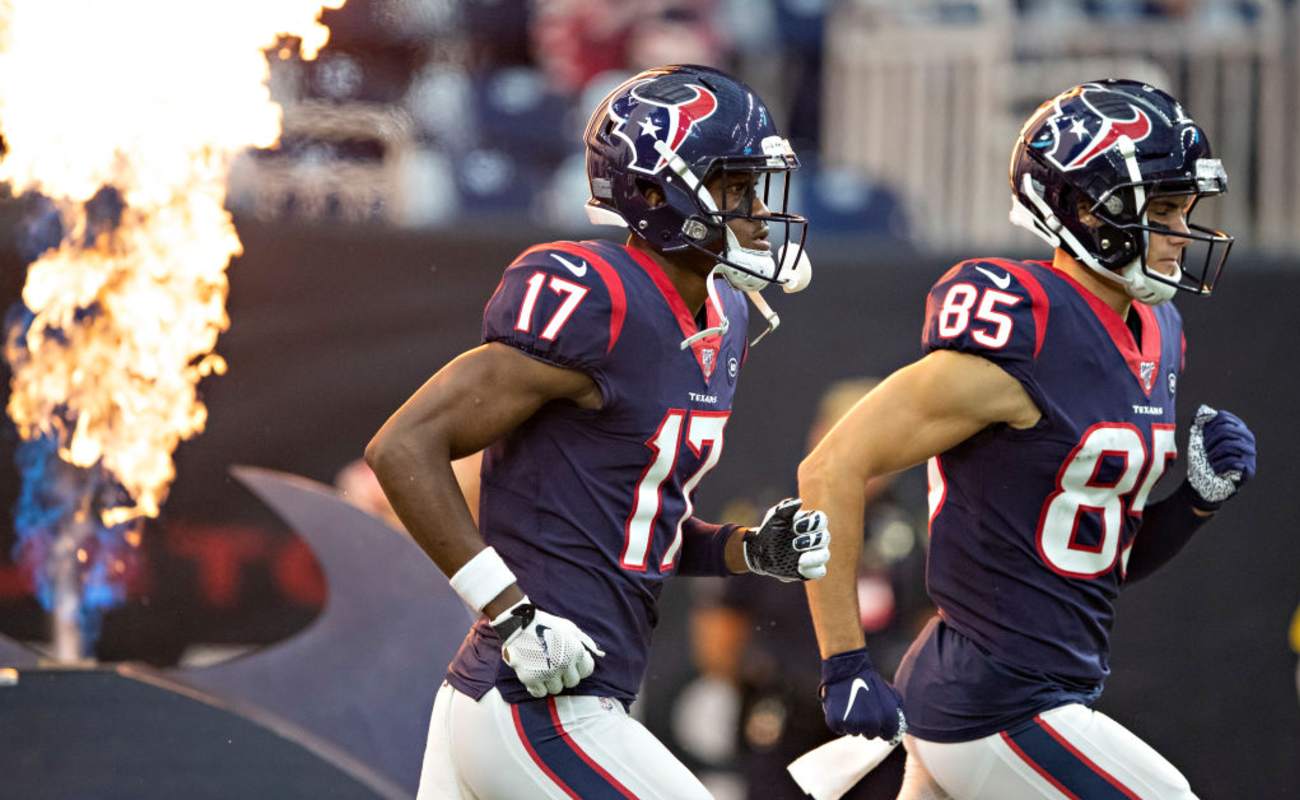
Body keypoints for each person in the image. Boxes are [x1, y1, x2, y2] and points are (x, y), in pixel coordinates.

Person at [366, 64, 833, 800]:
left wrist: (746, 550)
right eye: (735, 189)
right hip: (538, 702)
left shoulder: (725, 318)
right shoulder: (600, 296)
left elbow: (630, 525)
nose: (755, 213)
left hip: (540, 700)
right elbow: (402, 447)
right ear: (658, 194)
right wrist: (511, 612)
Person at [797, 79, 1258, 798]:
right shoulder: (1027, 324)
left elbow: (1096, 562)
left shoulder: (1158, 329)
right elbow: (830, 466)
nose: (1180, 231)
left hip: (1027, 691)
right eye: (1163, 209)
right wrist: (844, 661)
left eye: (1183, 209)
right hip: (995, 698)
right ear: (1086, 209)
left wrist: (1192, 504)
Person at [690, 378, 932, 799]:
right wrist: (766, 683)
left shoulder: (910, 537)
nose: (863, 454)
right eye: (849, 437)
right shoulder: (771, 526)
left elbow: (929, 631)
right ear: (819, 437)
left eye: (878, 440)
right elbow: (721, 633)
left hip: (877, 733)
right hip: (785, 720)